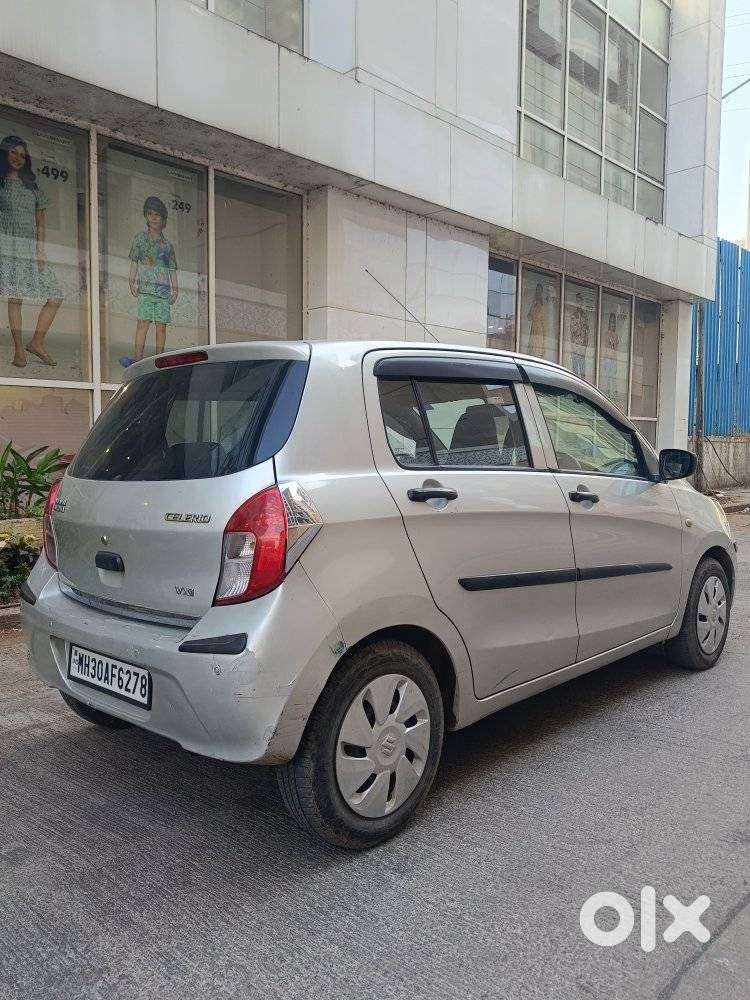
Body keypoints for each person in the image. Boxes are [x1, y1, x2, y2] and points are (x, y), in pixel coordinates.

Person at [0, 134, 62, 367]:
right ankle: (18, 350)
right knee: (16, 298)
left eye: (23, 155)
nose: (18, 158)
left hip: (30, 249)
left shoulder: (32, 186)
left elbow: (41, 222)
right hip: (8, 246)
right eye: (14, 153)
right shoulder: (1, 183)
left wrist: (40, 250)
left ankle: (36, 341)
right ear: (5, 154)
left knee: (55, 295)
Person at [121, 195, 178, 368]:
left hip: (162, 291)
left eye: (157, 215)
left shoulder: (168, 246)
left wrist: (175, 289)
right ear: (146, 216)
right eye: (150, 214)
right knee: (142, 324)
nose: (154, 218)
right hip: (145, 289)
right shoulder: (140, 239)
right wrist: (132, 281)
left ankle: (159, 360)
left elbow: (172, 269)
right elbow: (134, 262)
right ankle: (138, 360)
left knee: (161, 326)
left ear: (163, 219)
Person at [568, 291, 590, 378]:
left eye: (580, 301)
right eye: (577, 301)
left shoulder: (585, 316)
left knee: (582, 368)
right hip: (575, 345)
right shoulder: (573, 315)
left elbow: (587, 330)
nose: (578, 303)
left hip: (582, 346)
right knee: (575, 368)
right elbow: (572, 330)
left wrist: (586, 343)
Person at [526, 282, 547, 358]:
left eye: (539, 290)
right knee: (532, 351)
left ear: (541, 292)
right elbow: (529, 317)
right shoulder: (534, 303)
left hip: (540, 330)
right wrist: (533, 306)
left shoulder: (544, 304)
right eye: (537, 290)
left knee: (538, 350)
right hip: (534, 329)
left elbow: (545, 321)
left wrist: (544, 337)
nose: (538, 292)